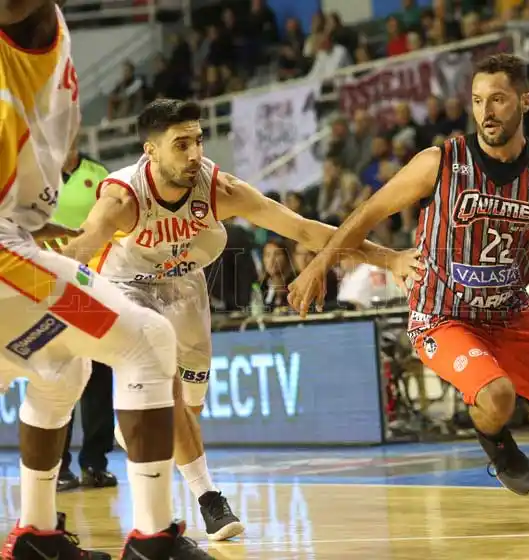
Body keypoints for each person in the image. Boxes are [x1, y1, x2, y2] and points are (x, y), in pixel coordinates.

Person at [287, 53, 529, 507]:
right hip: (442, 316)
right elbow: (368, 213)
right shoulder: (440, 162)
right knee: (498, 397)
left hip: (510, 311)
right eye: (478, 100)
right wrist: (318, 265)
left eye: (498, 99)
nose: (486, 111)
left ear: (524, 101)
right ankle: (498, 447)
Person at [60, 98, 424, 541]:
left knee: (190, 408)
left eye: (198, 141)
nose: (195, 154)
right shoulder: (124, 197)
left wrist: (390, 258)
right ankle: (209, 498)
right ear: (150, 152)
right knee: (165, 382)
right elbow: (81, 247)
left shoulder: (220, 188)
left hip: (184, 286)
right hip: (127, 285)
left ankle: (140, 417)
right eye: (181, 145)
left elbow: (306, 230)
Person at [0, 2, 194, 558]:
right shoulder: (25, 20)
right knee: (146, 340)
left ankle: (36, 534)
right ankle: (154, 540)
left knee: (61, 367)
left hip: (18, 250)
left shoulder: (45, 32)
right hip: (5, 262)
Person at [51, 137, 118, 492]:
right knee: (56, 375)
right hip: (45, 286)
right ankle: (57, 467)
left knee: (97, 376)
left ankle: (94, 464)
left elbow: (112, 226)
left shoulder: (98, 174)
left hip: (92, 285)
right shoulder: (38, 174)